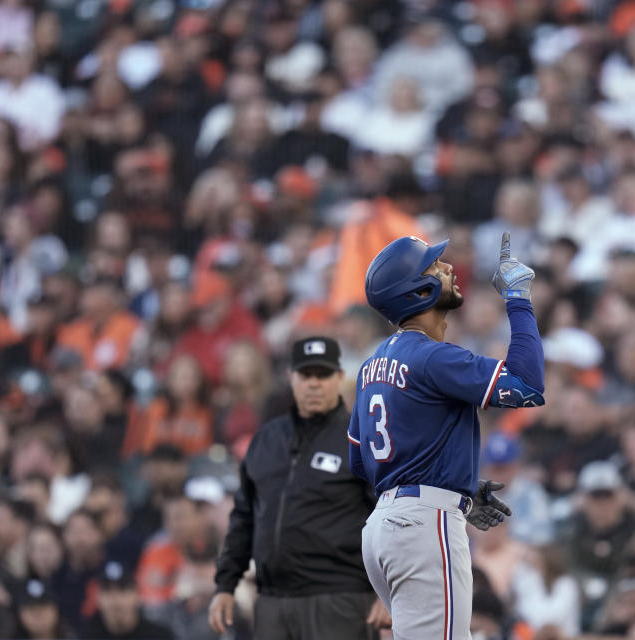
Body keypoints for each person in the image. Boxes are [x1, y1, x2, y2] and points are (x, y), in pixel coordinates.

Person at [350, 233, 545, 637]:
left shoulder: (371, 365)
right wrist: (519, 299)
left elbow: (361, 461)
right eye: (435, 267)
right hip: (423, 526)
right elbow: (527, 385)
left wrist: (452, 483)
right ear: (417, 290)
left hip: (384, 527)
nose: (449, 269)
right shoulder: (431, 356)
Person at [209, 336, 388, 640]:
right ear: (291, 378)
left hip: (340, 598)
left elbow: (388, 515)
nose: (314, 384)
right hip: (273, 599)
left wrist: (387, 589)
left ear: (340, 378)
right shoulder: (267, 439)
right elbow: (244, 517)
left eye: (323, 375)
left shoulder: (361, 439)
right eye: (306, 375)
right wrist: (226, 585)